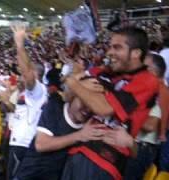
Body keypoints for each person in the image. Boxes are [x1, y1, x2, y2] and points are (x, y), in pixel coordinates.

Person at [62, 27, 159, 179]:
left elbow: (104, 109)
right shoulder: (106, 71)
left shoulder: (148, 80)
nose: (109, 52)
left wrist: (74, 83)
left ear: (136, 53)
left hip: (104, 162)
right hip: (78, 149)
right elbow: (67, 96)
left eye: (117, 47)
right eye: (110, 46)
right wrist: (75, 83)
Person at [13, 91, 106, 180]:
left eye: (92, 105)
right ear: (73, 96)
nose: (88, 109)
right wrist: (79, 135)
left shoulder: (91, 127)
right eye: (84, 102)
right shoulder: (55, 107)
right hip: (27, 176)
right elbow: (41, 144)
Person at [6, 24, 48, 180]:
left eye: (27, 71)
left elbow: (28, 75)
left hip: (24, 144)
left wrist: (19, 44)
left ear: (35, 74)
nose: (22, 74)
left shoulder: (38, 90)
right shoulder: (30, 92)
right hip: (20, 142)